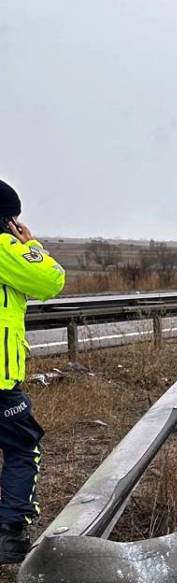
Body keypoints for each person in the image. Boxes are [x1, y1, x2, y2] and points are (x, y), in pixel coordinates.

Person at [0, 180, 66, 562]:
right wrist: (30, 245)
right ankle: (9, 534)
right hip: (0, 383)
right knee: (23, 446)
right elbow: (50, 280)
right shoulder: (5, 249)